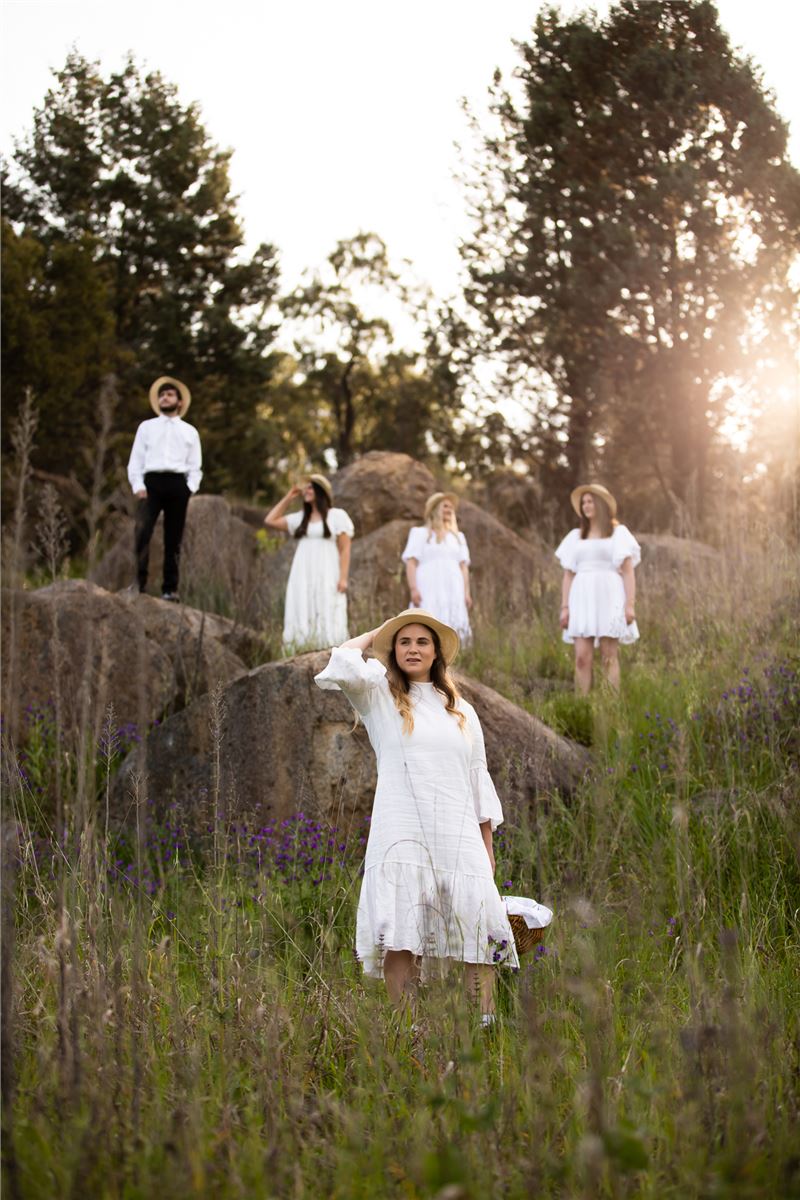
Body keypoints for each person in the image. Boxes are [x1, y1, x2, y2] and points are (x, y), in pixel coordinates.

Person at [314, 609, 519, 1023]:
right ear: (393, 650)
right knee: (401, 937)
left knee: (477, 931)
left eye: (422, 641)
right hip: (401, 829)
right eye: (403, 642)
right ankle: (408, 1032)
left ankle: (485, 1027)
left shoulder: (461, 709)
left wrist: (487, 848)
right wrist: (379, 633)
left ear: (436, 652)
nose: (413, 648)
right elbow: (342, 660)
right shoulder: (378, 697)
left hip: (458, 833)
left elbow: (478, 779)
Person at [555, 484, 641, 694]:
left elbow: (628, 571)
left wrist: (629, 605)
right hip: (582, 596)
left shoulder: (618, 533)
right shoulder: (576, 536)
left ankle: (610, 708)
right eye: (583, 502)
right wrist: (565, 607)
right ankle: (580, 708)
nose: (586, 506)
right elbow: (568, 574)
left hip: (610, 594)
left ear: (601, 504)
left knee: (608, 656)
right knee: (582, 658)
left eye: (590, 501)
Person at [127, 376, 202, 602]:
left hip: (178, 484)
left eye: (169, 394)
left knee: (174, 538)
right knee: (142, 533)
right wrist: (138, 486)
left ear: (179, 402)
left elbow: (195, 466)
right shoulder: (146, 427)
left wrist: (189, 488)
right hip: (151, 484)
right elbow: (135, 460)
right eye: (162, 394)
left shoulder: (190, 431)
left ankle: (170, 589)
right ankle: (139, 584)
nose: (164, 397)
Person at [264, 474, 354, 652]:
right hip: (302, 573)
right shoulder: (300, 518)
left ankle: (330, 648)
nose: (306, 490)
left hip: (327, 571)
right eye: (306, 488)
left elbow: (345, 549)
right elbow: (270, 520)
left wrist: (343, 578)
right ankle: (301, 646)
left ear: (321, 492)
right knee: (301, 603)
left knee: (328, 603)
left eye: (311, 487)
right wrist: (289, 497)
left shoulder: (337, 516)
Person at [401, 492, 472, 641]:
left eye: (451, 507)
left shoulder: (458, 538)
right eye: (445, 506)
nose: (449, 510)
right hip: (428, 587)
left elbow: (464, 567)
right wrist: (413, 589)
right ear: (434, 508)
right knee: (427, 619)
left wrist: (466, 592)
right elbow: (411, 563)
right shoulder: (419, 534)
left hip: (454, 587)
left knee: (455, 620)